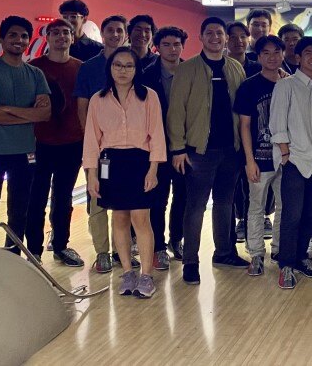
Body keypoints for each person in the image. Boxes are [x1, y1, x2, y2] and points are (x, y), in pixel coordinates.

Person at [168, 17, 249, 285]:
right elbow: (176, 111)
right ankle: (191, 261)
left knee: (225, 203)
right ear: (201, 37)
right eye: (210, 33)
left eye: (220, 33)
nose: (215, 37)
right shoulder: (188, 69)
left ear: (226, 38)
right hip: (198, 151)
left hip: (230, 149)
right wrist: (178, 148)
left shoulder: (235, 67)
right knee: (195, 206)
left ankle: (224, 252)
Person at [83, 48, 166, 298]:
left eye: (129, 66)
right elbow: (91, 139)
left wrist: (153, 169)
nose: (123, 70)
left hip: (140, 161)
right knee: (118, 218)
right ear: (110, 68)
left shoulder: (148, 96)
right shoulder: (98, 99)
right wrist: (92, 174)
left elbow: (157, 135)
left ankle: (147, 275)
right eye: (118, 65)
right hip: (111, 162)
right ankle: (128, 272)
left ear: (136, 69)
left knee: (141, 219)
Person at [0, 16, 51, 252]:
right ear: (2, 39)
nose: (19, 40)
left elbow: (44, 114)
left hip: (24, 151)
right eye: (13, 35)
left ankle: (13, 255)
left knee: (19, 210)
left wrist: (6, 108)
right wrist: (27, 114)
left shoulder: (35, 74)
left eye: (24, 36)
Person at [73, 14, 132, 273]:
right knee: (97, 200)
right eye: (110, 30)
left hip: (129, 148)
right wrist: (92, 144)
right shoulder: (88, 68)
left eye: (120, 30)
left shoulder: (133, 65)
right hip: (99, 148)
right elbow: (82, 108)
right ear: (103, 34)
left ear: (125, 34)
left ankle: (122, 252)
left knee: (125, 201)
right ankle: (102, 252)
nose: (115, 34)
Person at [270, 36, 312, 289]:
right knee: (291, 216)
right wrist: (285, 155)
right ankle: (286, 266)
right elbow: (277, 124)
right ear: (298, 58)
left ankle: (300, 259)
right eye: (308, 53)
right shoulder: (286, 86)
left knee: (310, 214)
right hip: (294, 160)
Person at [27, 19, 85, 266]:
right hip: (39, 143)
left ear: (72, 38)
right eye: (56, 33)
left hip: (72, 143)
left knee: (63, 197)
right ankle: (34, 250)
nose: (61, 36)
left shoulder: (81, 68)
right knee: (36, 197)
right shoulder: (33, 68)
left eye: (66, 33)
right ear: (47, 37)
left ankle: (61, 245)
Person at [234, 35, 287, 276]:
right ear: (259, 55)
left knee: (284, 205)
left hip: (287, 157)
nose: (272, 57)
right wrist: (249, 160)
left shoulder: (290, 83)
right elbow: (244, 126)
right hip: (259, 157)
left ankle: (278, 248)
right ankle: (256, 253)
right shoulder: (249, 86)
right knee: (256, 207)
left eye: (277, 52)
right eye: (266, 53)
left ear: (283, 54)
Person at [140, 26, 188, 268]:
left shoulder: (192, 72)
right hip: (155, 148)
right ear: (157, 47)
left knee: (182, 196)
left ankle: (176, 240)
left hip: (185, 147)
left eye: (176, 44)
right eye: (166, 44)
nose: (172, 49)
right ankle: (158, 246)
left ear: (183, 46)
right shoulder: (146, 75)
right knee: (158, 198)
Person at [228, 20, 261, 243]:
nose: (238, 41)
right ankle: (228, 241)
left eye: (243, 36)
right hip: (228, 140)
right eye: (233, 36)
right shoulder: (219, 66)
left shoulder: (258, 68)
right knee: (228, 194)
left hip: (254, 139)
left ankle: (252, 238)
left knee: (253, 192)